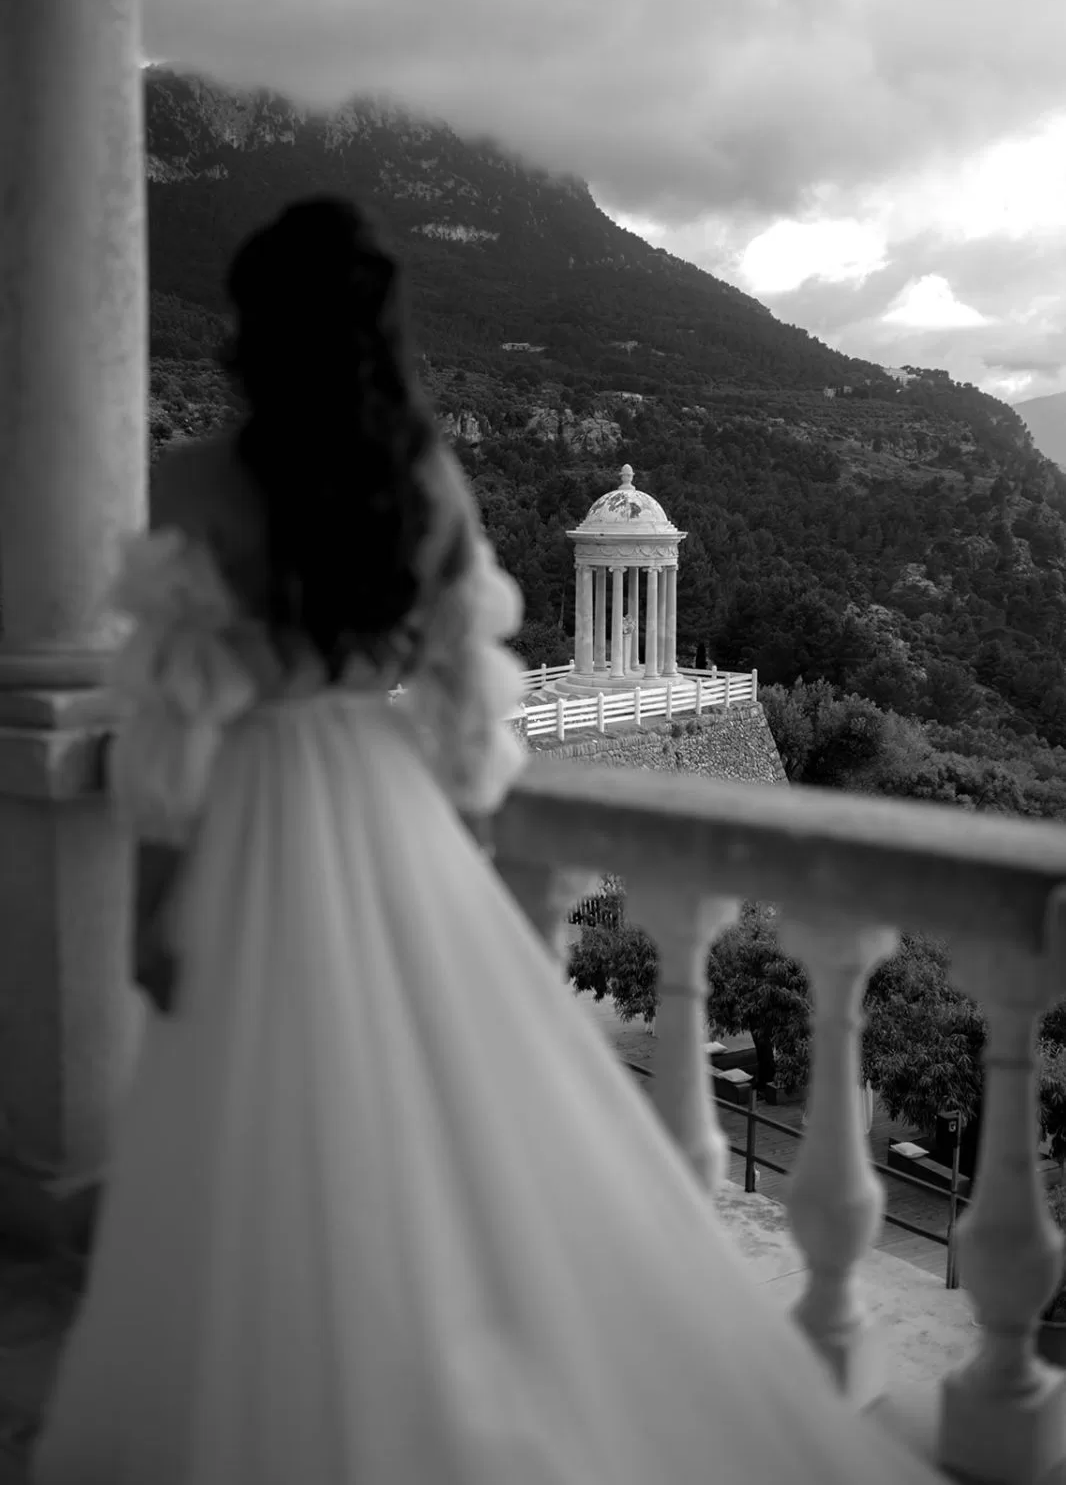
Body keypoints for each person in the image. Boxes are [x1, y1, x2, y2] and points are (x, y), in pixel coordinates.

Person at [33, 197, 944, 1485]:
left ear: (250, 330)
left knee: (251, 1133)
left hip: (251, 829)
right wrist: (443, 860)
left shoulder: (196, 484)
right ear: (382, 332)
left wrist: (152, 912)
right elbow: (474, 726)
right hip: (393, 814)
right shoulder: (421, 487)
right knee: (423, 1136)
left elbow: (169, 736)